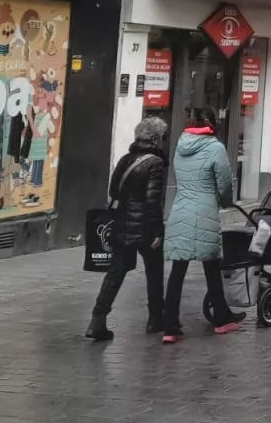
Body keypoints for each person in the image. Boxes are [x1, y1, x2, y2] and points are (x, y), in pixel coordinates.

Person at [160, 109, 244, 343]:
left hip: (181, 210)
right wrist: (226, 202)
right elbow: (224, 183)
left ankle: (170, 327)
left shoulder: (181, 145)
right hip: (204, 211)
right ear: (212, 123)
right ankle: (222, 319)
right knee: (212, 265)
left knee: (178, 270)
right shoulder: (215, 147)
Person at [86, 117, 169, 341]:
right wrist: (157, 231)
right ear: (156, 139)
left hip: (122, 224)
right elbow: (153, 201)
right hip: (145, 228)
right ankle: (155, 318)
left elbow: (114, 191)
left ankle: (97, 319)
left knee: (115, 273)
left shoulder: (125, 159)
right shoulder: (155, 163)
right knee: (154, 272)